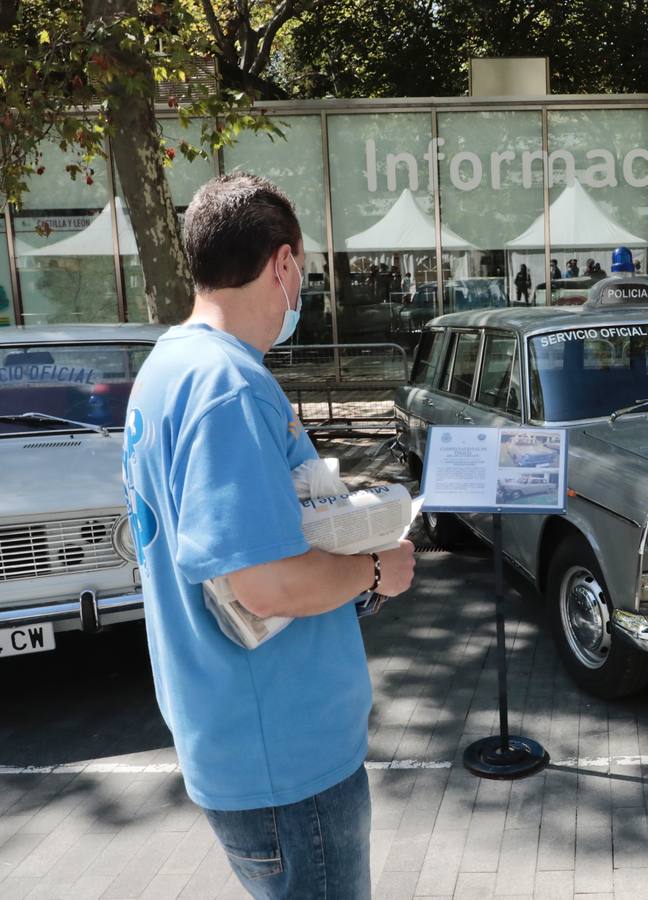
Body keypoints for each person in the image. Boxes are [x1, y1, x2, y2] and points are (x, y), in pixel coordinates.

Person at [122, 173, 416, 899]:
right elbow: (262, 582)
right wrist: (378, 570)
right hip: (285, 756)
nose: (301, 288)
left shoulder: (169, 367)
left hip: (243, 740)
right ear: (282, 264)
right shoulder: (227, 385)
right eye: (303, 271)